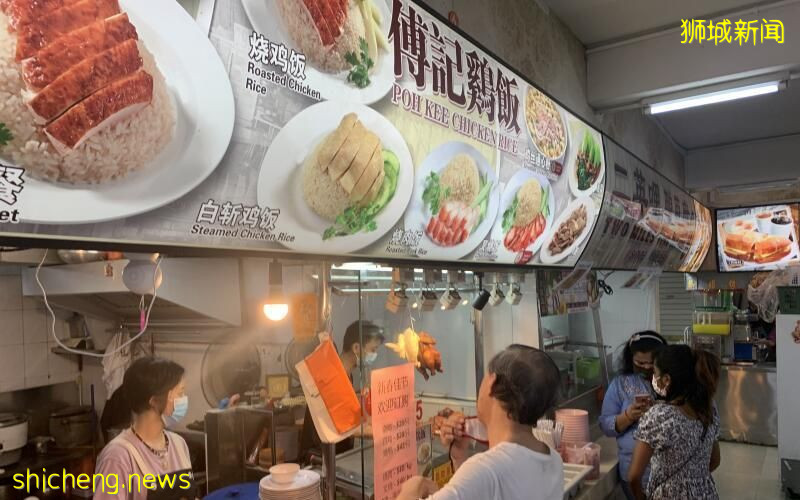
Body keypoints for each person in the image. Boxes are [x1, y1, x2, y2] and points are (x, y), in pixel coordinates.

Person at [398, 345, 564, 500]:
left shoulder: (486, 470)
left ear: (492, 381)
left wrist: (414, 487)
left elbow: (483, 479)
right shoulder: (553, 460)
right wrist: (459, 457)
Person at [628, 345, 722, 500]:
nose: (653, 378)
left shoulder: (658, 416)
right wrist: (692, 482)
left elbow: (634, 477)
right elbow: (715, 461)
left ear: (666, 380)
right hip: (706, 493)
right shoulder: (709, 407)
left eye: (655, 373)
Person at [95, 357, 195, 500]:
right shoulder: (118, 457)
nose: (184, 399)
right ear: (154, 401)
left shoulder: (179, 444)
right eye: (180, 393)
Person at [299, 320, 385, 464]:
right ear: (356, 347)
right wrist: (383, 431)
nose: (374, 355)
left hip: (335, 454)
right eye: (373, 350)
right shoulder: (332, 376)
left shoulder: (346, 373)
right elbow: (346, 428)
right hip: (317, 458)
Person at [599, 331, 666, 499]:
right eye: (639, 363)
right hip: (634, 470)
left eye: (651, 364)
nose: (645, 368)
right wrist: (628, 416)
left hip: (668, 470)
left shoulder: (670, 382)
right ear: (631, 359)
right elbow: (606, 424)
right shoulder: (621, 384)